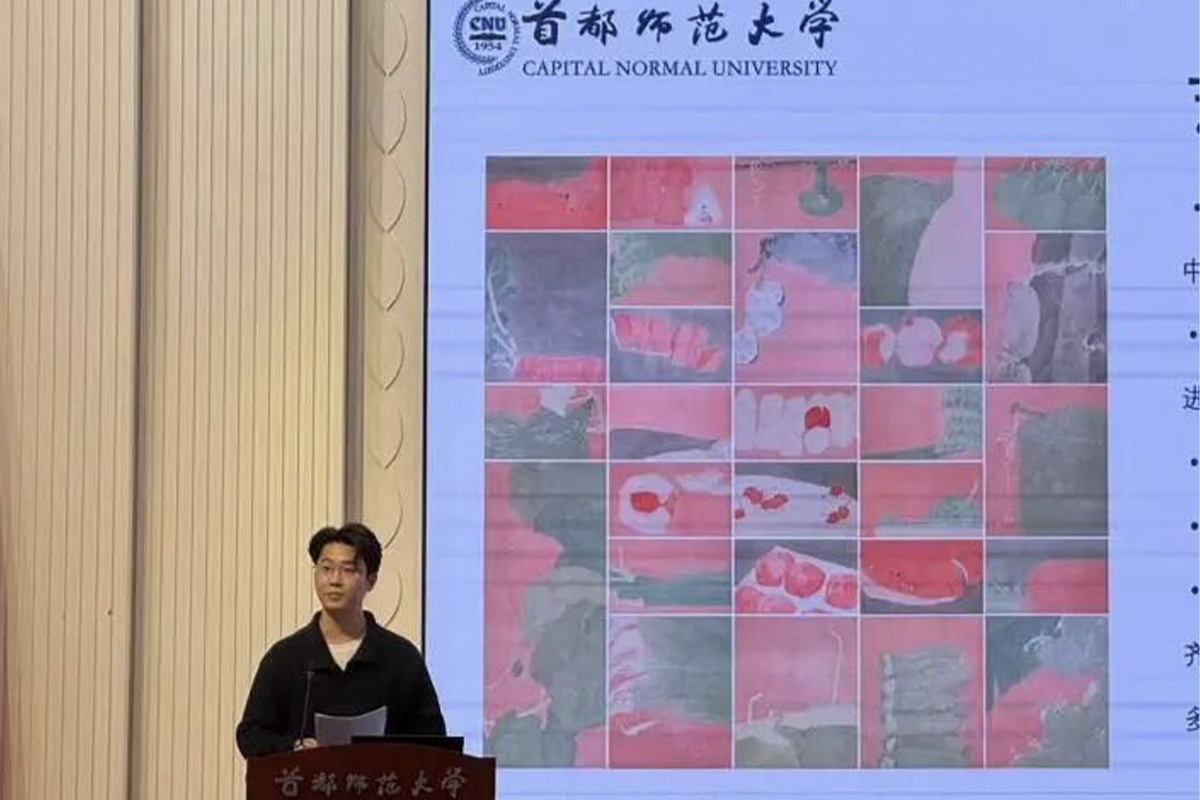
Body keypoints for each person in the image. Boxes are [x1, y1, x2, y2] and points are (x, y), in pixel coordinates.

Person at [236, 523, 445, 757]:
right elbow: (251, 735)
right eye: (326, 568)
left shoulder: (400, 658)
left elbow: (434, 740)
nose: (334, 580)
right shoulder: (286, 657)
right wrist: (294, 748)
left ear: (371, 580)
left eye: (348, 570)